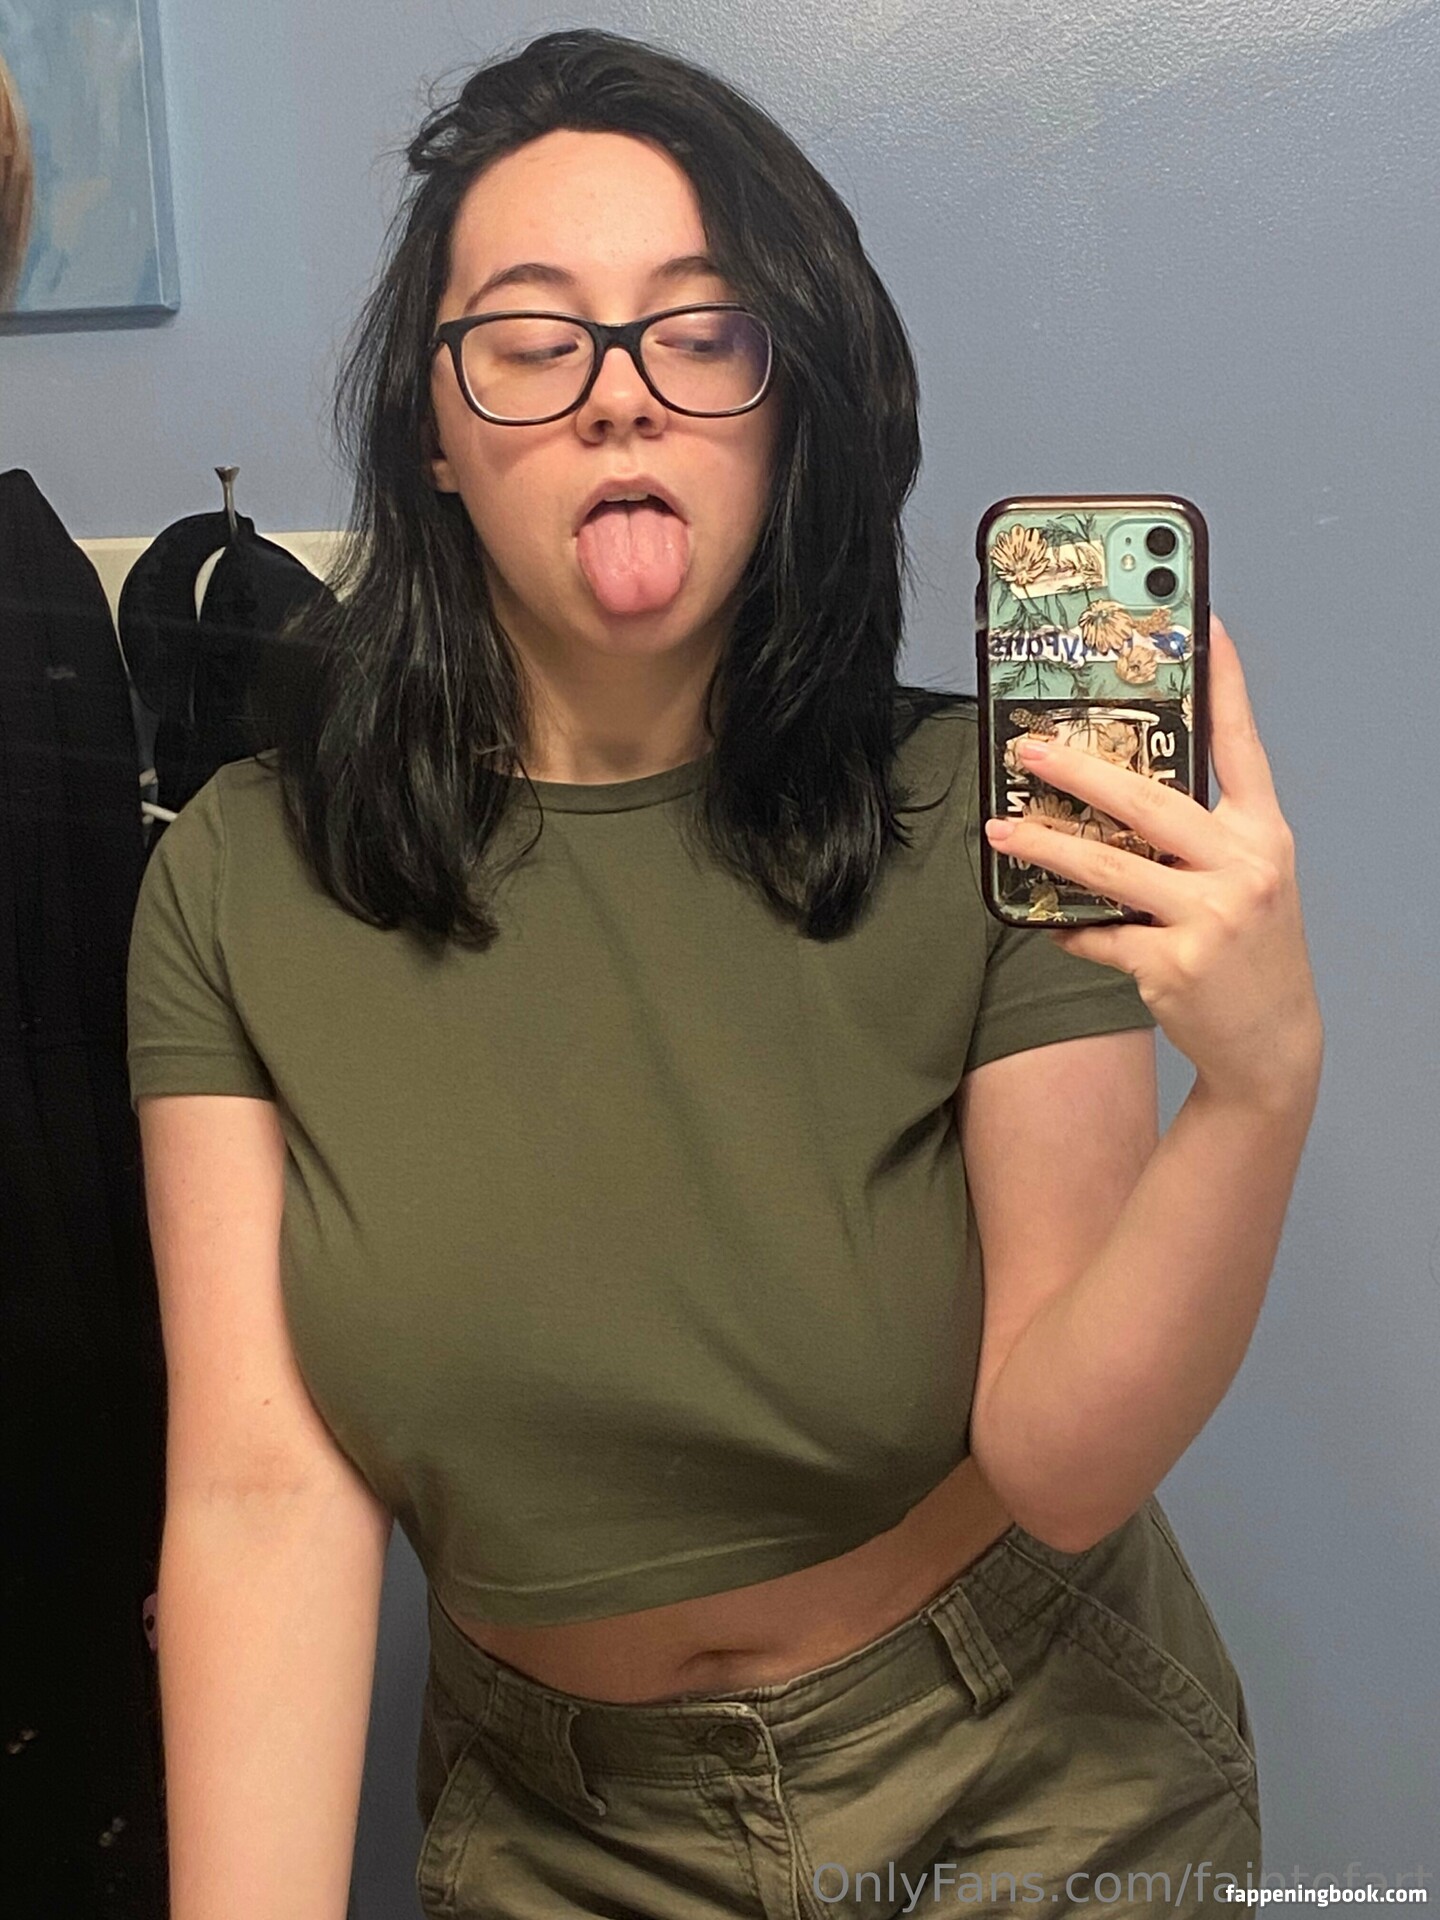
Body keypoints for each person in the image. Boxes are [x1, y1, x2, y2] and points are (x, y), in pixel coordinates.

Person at [125, 27, 1323, 1920]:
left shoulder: (996, 819)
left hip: (1035, 1782)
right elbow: (262, 1504)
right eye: (534, 338)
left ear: (792, 406)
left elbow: (1063, 1461)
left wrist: (1257, 1091)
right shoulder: (236, 879)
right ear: (435, 432)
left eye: (699, 332)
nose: (621, 397)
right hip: (557, 1832)